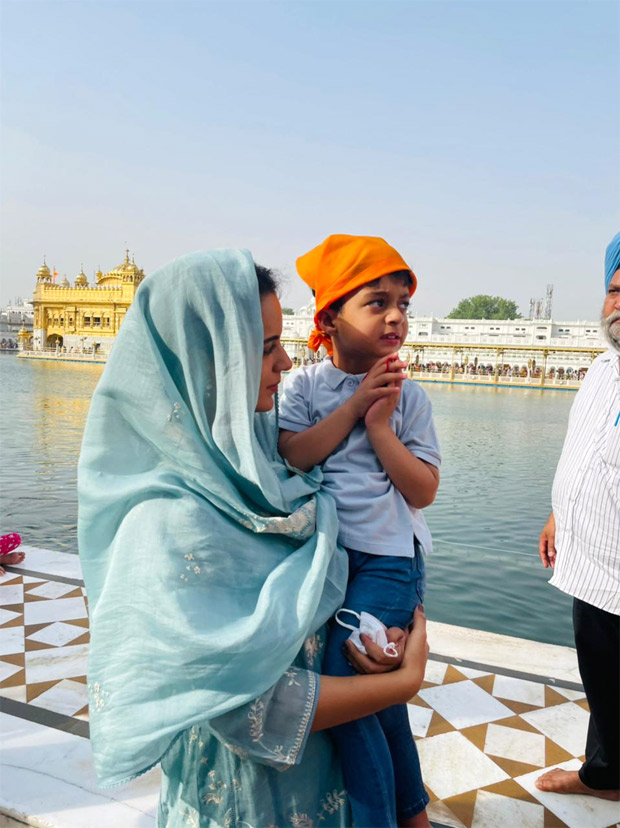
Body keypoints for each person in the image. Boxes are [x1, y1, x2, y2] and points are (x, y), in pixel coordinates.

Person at [78, 248, 430, 828]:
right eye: (266, 349)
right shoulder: (166, 522)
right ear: (207, 362)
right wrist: (402, 683)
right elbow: (251, 712)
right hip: (247, 803)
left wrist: (384, 634)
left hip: (330, 789)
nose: (287, 363)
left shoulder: (263, 469)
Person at [278, 235, 441, 828]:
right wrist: (352, 409)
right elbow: (294, 454)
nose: (396, 315)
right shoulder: (303, 387)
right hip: (331, 560)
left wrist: (380, 429)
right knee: (380, 698)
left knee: (348, 683)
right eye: (377, 302)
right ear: (329, 318)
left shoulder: (410, 397)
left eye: (403, 302)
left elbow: (422, 490)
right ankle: (412, 813)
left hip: (389, 562)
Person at [536, 231, 620, 802]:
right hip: (590, 557)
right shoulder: (599, 370)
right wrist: (557, 513)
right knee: (604, 677)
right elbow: (585, 451)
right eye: (616, 290)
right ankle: (607, 773)